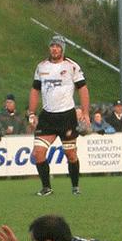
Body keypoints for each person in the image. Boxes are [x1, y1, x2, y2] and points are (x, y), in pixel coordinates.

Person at [28, 35, 90, 196]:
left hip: (66, 117)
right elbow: (35, 90)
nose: (54, 49)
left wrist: (85, 113)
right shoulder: (41, 67)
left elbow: (82, 89)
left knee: (71, 154)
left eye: (57, 46)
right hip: (47, 117)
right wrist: (32, 113)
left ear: (62, 49)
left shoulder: (71, 66)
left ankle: (75, 187)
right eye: (52, 46)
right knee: (38, 153)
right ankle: (46, 187)